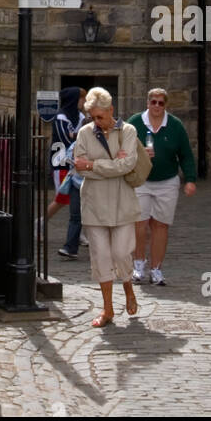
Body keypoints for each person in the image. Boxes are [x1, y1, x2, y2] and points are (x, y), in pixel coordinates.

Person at [74, 86, 141, 326]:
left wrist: (93, 166)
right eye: (93, 117)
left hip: (123, 203)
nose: (97, 121)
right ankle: (108, 309)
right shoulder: (84, 133)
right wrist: (108, 166)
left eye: (100, 116)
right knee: (101, 257)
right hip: (94, 205)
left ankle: (128, 288)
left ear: (111, 110)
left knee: (121, 253)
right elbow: (78, 167)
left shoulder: (129, 131)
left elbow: (128, 166)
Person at [128, 87, 197, 286]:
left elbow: (185, 155)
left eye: (161, 103)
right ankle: (138, 265)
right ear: (147, 103)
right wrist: (139, 154)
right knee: (139, 224)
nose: (156, 106)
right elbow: (122, 150)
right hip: (141, 180)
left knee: (160, 225)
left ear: (165, 105)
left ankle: (156, 268)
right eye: (153, 102)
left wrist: (190, 179)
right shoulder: (134, 123)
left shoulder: (175, 126)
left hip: (167, 181)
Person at [46, 86, 86, 225]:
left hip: (76, 162)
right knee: (62, 199)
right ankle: (40, 223)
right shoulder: (60, 117)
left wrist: (74, 136)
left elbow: (84, 137)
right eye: (81, 98)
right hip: (61, 162)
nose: (84, 101)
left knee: (79, 198)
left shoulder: (80, 117)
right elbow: (65, 139)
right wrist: (76, 137)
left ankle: (79, 231)